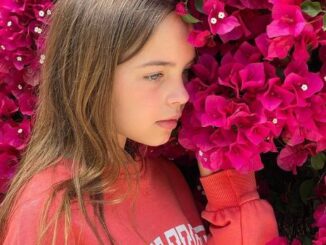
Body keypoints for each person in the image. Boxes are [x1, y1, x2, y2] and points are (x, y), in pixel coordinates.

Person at [0, 0, 279, 244]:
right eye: (155, 75)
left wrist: (230, 192)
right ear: (89, 76)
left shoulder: (164, 178)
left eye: (184, 71)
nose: (182, 95)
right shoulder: (47, 214)